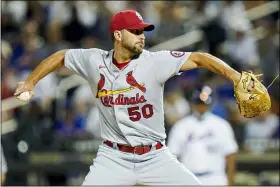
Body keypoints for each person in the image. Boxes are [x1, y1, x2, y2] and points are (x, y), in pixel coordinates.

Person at [14, 9, 245, 185]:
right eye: (135, 31)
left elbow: (200, 58)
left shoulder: (155, 61)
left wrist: (235, 77)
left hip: (155, 155)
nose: (141, 36)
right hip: (113, 157)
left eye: (142, 31)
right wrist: (30, 82)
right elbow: (62, 56)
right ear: (117, 34)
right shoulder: (94, 61)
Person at [167, 85, 238, 185]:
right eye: (198, 103)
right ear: (193, 103)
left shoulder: (221, 125)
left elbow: (230, 154)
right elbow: (172, 155)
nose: (201, 107)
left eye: (204, 104)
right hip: (189, 178)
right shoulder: (181, 126)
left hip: (215, 178)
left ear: (210, 104)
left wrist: (230, 182)